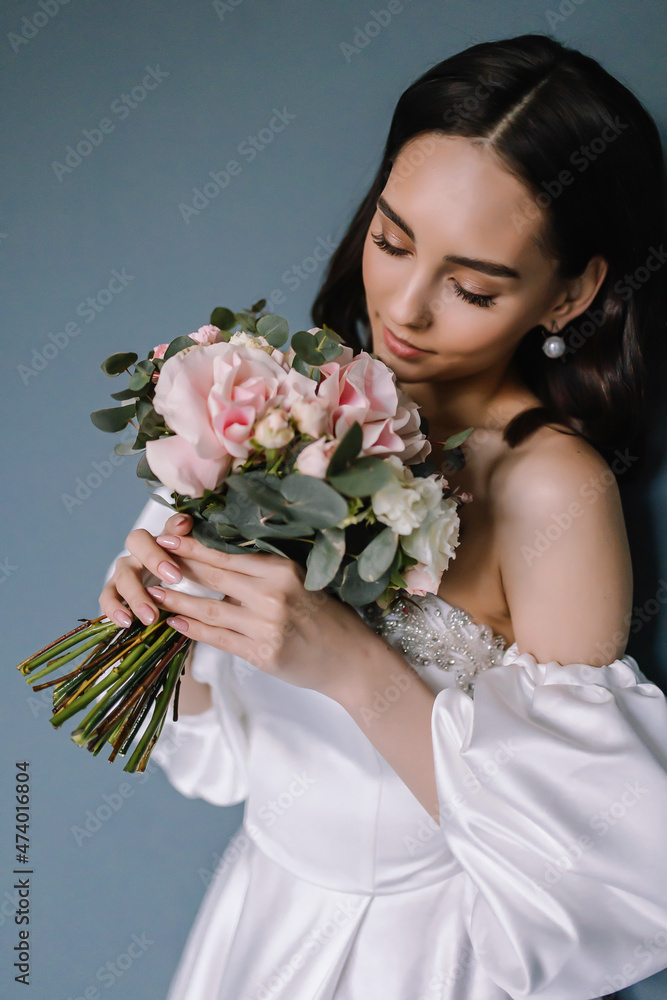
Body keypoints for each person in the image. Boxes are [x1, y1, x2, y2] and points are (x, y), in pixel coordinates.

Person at [100, 34, 667, 1000]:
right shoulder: (283, 405)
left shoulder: (550, 491)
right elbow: (220, 771)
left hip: (419, 958)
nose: (401, 308)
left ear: (569, 292)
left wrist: (355, 669)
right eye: (391, 240)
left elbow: (601, 861)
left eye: (472, 286)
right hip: (257, 923)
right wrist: (167, 641)